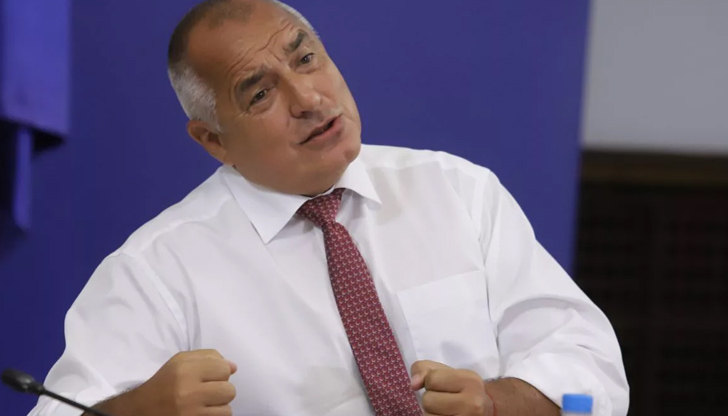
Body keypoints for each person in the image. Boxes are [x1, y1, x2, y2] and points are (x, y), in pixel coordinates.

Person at [29, 0, 629, 415]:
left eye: (306, 58)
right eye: (259, 93)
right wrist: (134, 411)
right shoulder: (157, 271)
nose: (309, 98)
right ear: (213, 140)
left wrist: (496, 404)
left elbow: (589, 364)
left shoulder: (458, 192)